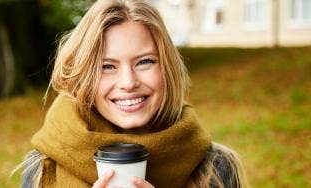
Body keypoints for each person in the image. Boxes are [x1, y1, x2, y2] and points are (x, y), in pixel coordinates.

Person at [13, 0, 247, 187]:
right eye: (107, 66)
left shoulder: (215, 167)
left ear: (167, 68)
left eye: (145, 62)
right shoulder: (42, 168)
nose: (128, 83)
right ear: (84, 77)